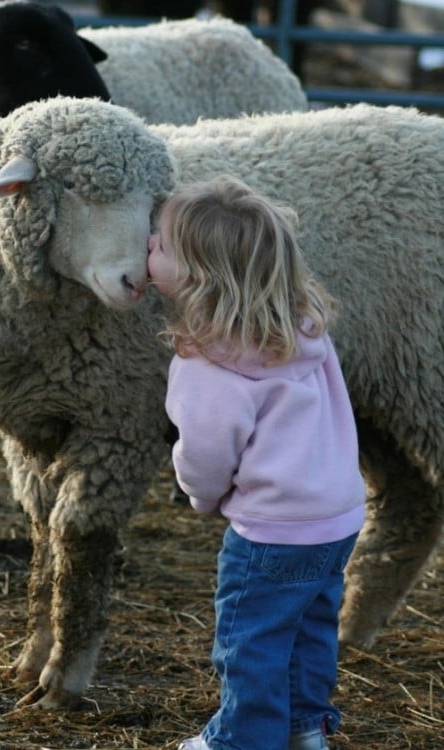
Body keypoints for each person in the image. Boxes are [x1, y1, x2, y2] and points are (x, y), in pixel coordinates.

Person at [147, 175, 365, 750]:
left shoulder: (207, 365)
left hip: (272, 531)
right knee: (309, 628)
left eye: (161, 245)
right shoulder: (301, 330)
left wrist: (200, 496)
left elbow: (206, 455)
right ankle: (305, 728)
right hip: (337, 517)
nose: (148, 247)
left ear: (198, 277)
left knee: (251, 640)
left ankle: (241, 740)